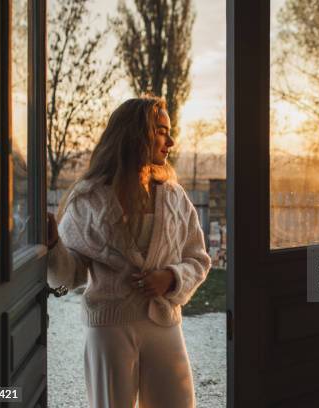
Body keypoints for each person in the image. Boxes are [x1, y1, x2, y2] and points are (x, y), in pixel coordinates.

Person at [46, 96, 211, 408]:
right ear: (136, 134)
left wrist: (172, 278)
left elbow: (199, 258)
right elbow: (68, 276)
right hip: (110, 328)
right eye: (162, 131)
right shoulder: (88, 200)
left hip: (164, 323)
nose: (171, 141)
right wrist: (53, 246)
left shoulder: (175, 197)